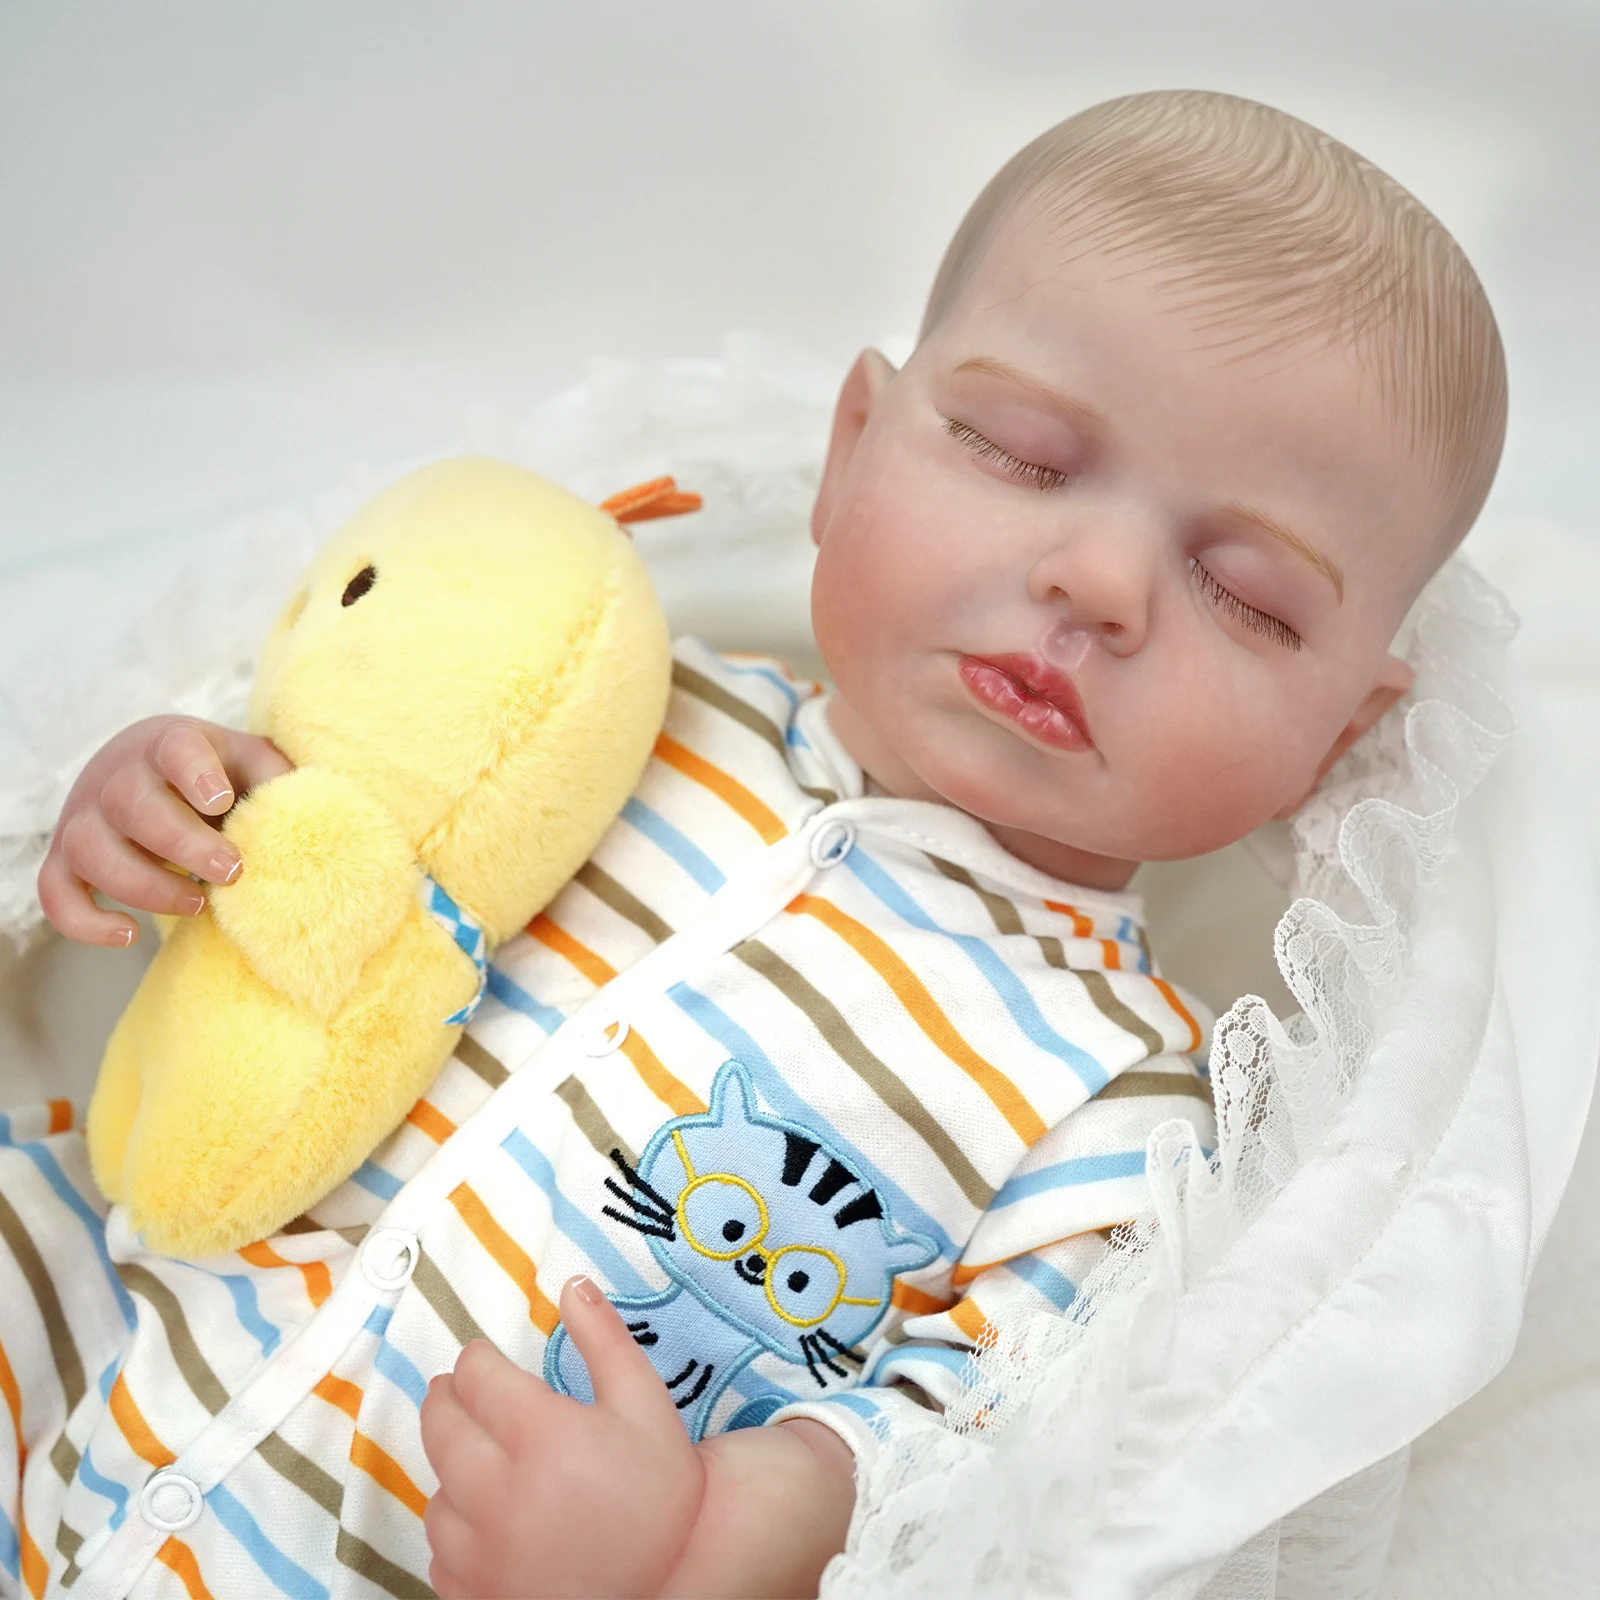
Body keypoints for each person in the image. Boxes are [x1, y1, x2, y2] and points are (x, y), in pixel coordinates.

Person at [14, 89, 1505, 1599]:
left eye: (1246, 594)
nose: (1103, 579)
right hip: (100, 1323)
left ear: (1337, 736)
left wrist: (701, 1536)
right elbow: (333, 836)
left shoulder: (1124, 1099)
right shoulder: (612, 695)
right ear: (851, 450)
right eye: (1021, 454)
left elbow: (971, 1452)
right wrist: (168, 802)